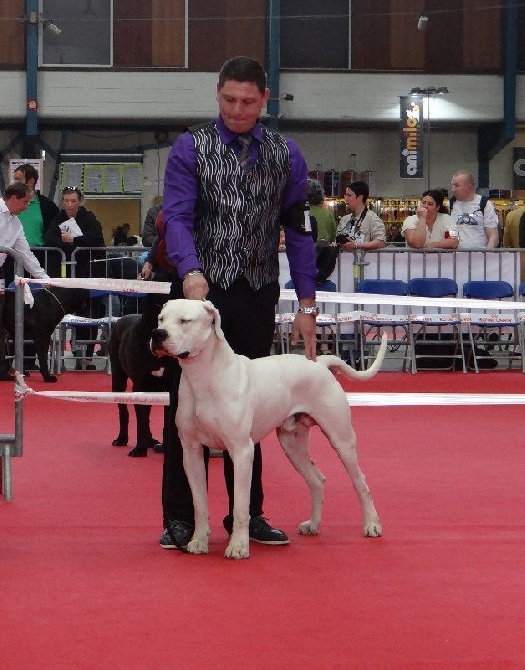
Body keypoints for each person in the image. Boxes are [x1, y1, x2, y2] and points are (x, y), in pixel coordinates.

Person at [160, 55, 318, 550]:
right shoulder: (190, 147)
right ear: (218, 93)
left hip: (255, 292)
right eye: (229, 99)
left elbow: (298, 231)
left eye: (248, 101)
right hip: (198, 293)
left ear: (265, 100)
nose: (237, 109)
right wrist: (189, 270)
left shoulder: (287, 154)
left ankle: (246, 517)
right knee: (183, 412)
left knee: (246, 408)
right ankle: (181, 520)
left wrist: (307, 304)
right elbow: (177, 217)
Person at [44, 186, 106, 369]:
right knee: (72, 313)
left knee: (91, 313)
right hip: (69, 275)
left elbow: (96, 238)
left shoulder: (89, 217)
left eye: (73, 201)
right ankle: (75, 349)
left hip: (90, 273)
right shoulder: (59, 218)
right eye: (65, 201)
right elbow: (50, 238)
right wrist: (65, 244)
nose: (69, 204)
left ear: (80, 201)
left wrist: (75, 241)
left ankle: (87, 355)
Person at [0, 182, 50, 381]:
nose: (26, 207)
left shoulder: (16, 224)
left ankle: (1, 370)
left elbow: (26, 254)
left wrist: (44, 278)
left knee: (0, 322)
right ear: (13, 198)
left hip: (0, 273)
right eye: (25, 202)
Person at [449, 170, 499, 249]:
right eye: (452, 185)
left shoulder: (484, 204)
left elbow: (493, 236)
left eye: (457, 185)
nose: (453, 189)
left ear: (468, 187)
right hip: (455, 257)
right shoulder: (451, 204)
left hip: (479, 257)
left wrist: (487, 255)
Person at [336, 181, 386, 251]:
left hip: (364, 261)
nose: (346, 199)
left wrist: (356, 245)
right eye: (345, 195)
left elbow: (380, 242)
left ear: (360, 197)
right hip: (344, 260)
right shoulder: (344, 219)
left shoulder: (373, 219)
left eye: (349, 195)